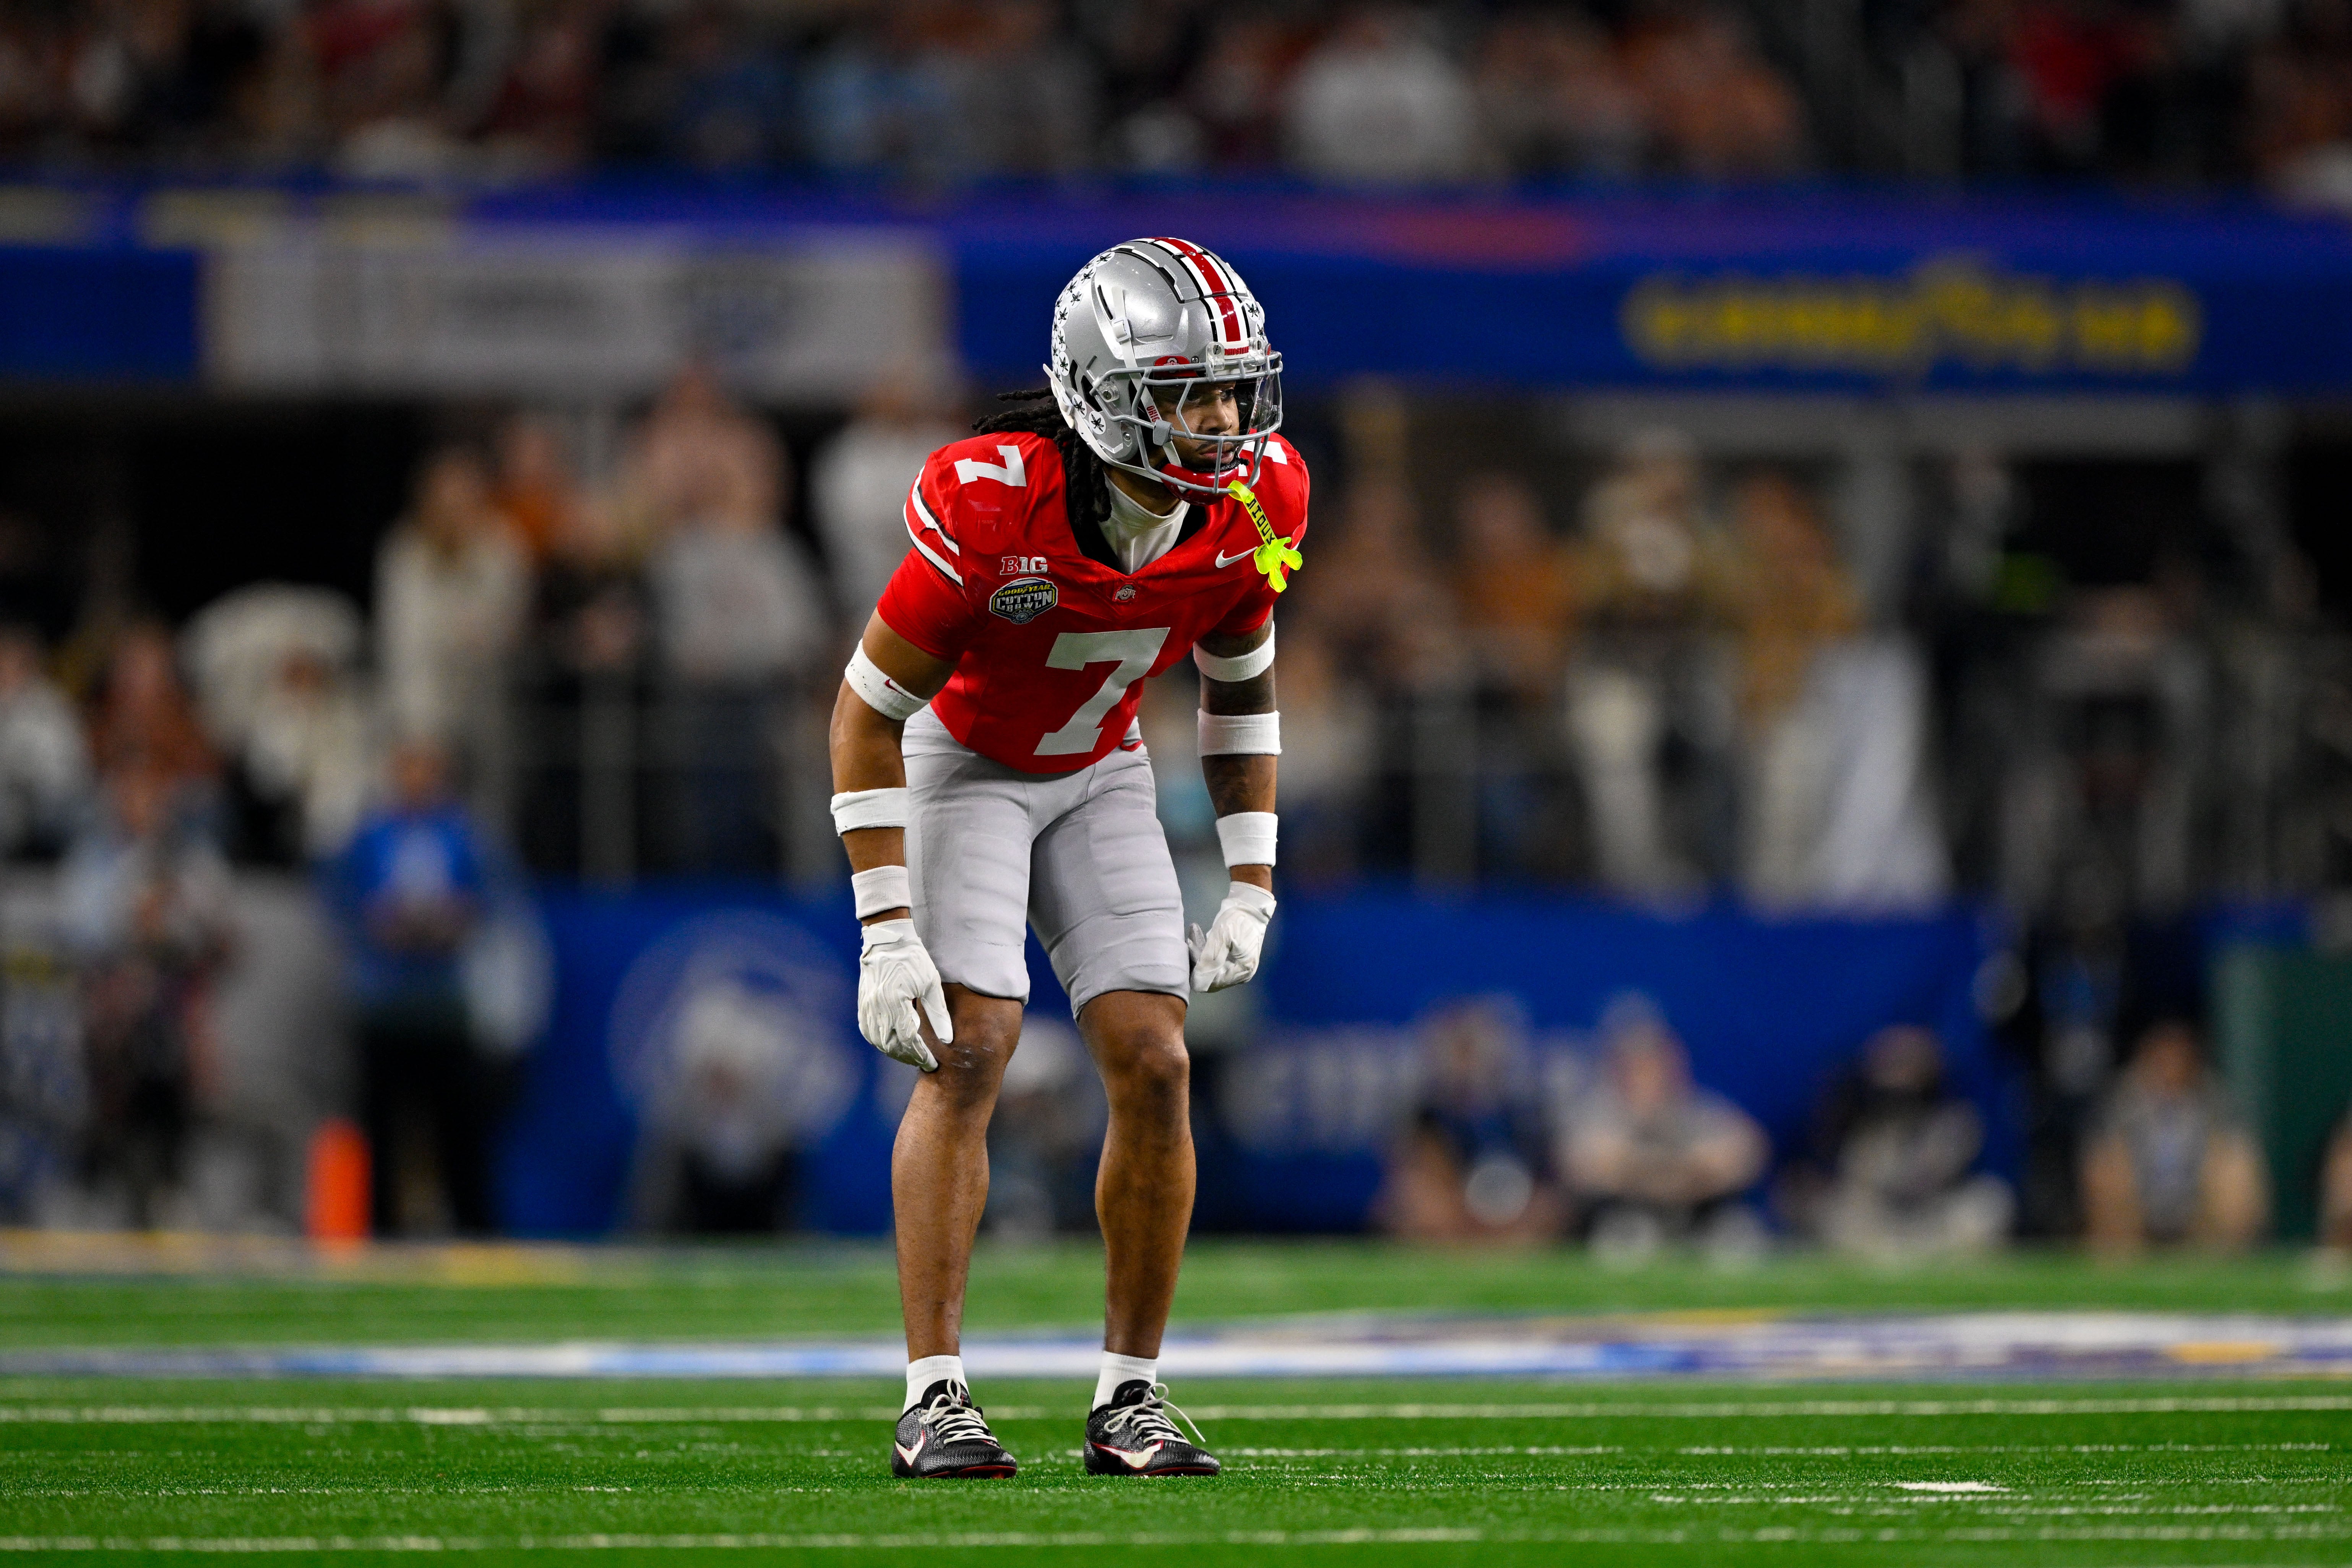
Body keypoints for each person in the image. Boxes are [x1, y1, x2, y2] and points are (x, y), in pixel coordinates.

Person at [829, 239, 1302, 1480]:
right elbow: (865, 711)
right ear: (1101, 392)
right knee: (971, 1044)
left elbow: (1238, 685)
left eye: (1229, 389)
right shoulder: (993, 501)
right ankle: (935, 1393)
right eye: (1186, 391)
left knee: (1154, 1057)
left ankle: (1129, 1396)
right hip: (960, 764)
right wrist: (884, 929)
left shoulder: (1255, 498)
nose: (1219, 420)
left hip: (1097, 770)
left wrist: (1250, 875)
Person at [323, 738, 519, 1237]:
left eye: (427, 769)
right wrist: (380, 925)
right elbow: (343, 902)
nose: (418, 780)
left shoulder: (464, 834)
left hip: (442, 1004)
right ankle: (380, 1231)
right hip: (385, 1003)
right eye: (409, 768)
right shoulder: (370, 836)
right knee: (383, 1128)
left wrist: (453, 921)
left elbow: (492, 900)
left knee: (459, 1130)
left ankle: (476, 1232)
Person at [1787, 1025, 2013, 1255]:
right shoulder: (1857, 1121)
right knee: (1834, 1213)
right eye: (1891, 1064)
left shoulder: (1953, 1121)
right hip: (1877, 1219)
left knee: (1988, 1203)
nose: (1899, 1076)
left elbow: (1934, 1180)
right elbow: (1854, 1185)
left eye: (1908, 1065)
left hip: (1933, 1216)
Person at [1561, 1001, 1767, 1253]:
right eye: (1638, 1066)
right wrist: (1686, 1169)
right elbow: (1591, 1165)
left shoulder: (1698, 1110)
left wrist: (1641, 1169)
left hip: (1699, 1214)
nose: (1649, 1075)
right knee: (1621, 1235)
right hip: (1627, 1217)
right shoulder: (1601, 1112)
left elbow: (1741, 1155)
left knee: (1736, 1233)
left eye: (1656, 1063)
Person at [2080, 1018, 2268, 1251]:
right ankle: (2122, 1261)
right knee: (2107, 1167)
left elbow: (2230, 1157)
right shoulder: (2123, 1103)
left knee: (2236, 1168)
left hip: (2197, 1211)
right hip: (2139, 1208)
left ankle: (2215, 1262)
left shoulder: (2214, 1102)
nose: (2171, 1064)